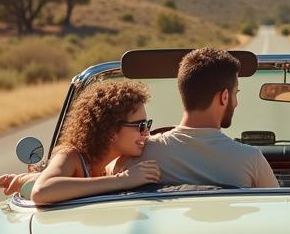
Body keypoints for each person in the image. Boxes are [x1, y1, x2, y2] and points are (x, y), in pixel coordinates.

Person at [114, 47, 279, 188]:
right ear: (224, 97)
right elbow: (279, 214)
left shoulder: (141, 154)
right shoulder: (250, 159)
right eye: (236, 94)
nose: (236, 103)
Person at [0, 79, 161, 203]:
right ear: (112, 130)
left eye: (147, 124)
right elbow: (41, 191)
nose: (147, 132)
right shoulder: (72, 156)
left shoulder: (131, 159)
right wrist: (123, 181)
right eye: (140, 125)